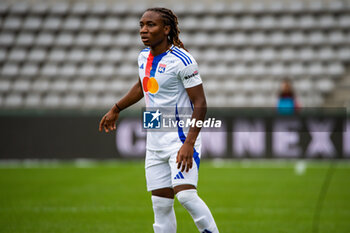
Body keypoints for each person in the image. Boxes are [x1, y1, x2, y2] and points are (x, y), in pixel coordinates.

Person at [99, 7, 219, 233]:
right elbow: (141, 86)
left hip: (180, 140)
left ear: (166, 29)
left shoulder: (182, 60)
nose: (144, 30)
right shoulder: (143, 56)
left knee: (186, 196)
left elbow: (201, 104)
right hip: (155, 142)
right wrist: (117, 108)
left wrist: (189, 143)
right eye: (141, 25)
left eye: (150, 25)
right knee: (161, 206)